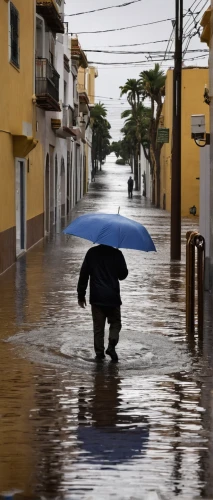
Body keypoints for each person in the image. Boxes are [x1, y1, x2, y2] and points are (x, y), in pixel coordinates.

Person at [77, 244, 128, 362]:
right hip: (113, 298)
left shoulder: (91, 253)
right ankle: (111, 346)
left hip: (97, 298)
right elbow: (123, 275)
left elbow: (83, 274)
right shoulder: (117, 254)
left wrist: (81, 295)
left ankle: (99, 356)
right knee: (116, 323)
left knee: (98, 329)